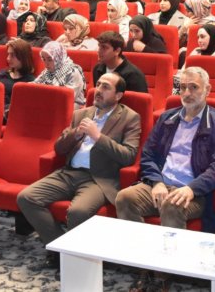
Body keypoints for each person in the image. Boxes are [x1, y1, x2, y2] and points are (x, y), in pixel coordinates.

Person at [115, 67, 215, 292]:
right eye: (183, 87)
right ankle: (143, 267)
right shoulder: (167, 118)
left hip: (195, 192)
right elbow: (148, 155)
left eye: (194, 87)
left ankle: (163, 276)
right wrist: (157, 182)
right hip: (161, 185)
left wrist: (192, 188)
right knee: (124, 198)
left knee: (172, 204)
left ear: (208, 90)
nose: (187, 93)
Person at [17, 72, 140, 262]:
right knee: (26, 197)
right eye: (98, 84)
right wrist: (75, 134)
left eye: (106, 87)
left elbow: (128, 156)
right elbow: (59, 148)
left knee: (78, 212)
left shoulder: (130, 118)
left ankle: (74, 260)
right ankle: (61, 250)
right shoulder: (81, 114)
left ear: (118, 95)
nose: (98, 90)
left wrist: (97, 136)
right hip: (69, 173)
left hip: (98, 179)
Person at [35, 41, 87, 109]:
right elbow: (35, 85)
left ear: (58, 57)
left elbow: (68, 96)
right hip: (50, 103)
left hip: (72, 106)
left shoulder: (73, 71)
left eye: (50, 59)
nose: (46, 63)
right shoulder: (47, 72)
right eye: (44, 59)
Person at [0, 39, 36, 122]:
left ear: (23, 57)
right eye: (8, 54)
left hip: (13, 119)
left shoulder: (31, 82)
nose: (8, 58)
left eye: (12, 55)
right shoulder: (2, 74)